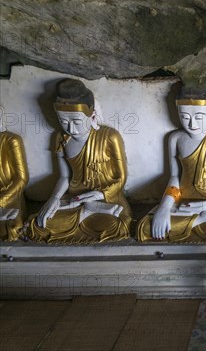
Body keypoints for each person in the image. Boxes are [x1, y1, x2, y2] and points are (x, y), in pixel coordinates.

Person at [136, 86, 206, 242]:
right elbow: (175, 177)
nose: (191, 123)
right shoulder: (175, 139)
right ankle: (201, 219)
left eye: (199, 116)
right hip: (184, 199)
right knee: (145, 227)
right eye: (184, 116)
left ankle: (198, 218)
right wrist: (164, 207)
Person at [28, 79, 132, 243]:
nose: (70, 128)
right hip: (74, 199)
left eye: (76, 121)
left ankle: (85, 216)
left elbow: (121, 178)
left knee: (117, 226)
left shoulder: (109, 136)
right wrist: (54, 199)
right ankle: (82, 215)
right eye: (63, 121)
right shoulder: (61, 138)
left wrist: (101, 193)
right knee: (38, 223)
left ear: (92, 116)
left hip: (107, 200)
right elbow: (64, 177)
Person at [0, 104, 29, 241]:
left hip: (11, 197)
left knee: (13, 227)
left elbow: (22, 178)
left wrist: (2, 199)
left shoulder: (11, 140)